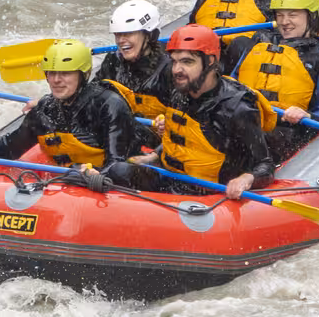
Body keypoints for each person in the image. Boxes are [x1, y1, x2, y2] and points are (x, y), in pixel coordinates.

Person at [0, 40, 140, 189]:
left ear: (83, 74)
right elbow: (9, 147)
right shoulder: (45, 109)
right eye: (51, 73)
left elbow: (117, 164)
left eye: (65, 73)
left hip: (118, 182)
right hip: (73, 180)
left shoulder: (109, 104)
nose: (56, 80)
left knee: (119, 170)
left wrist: (91, 177)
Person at [108, 25, 275, 200]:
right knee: (117, 170)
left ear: (210, 61)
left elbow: (265, 164)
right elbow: (181, 138)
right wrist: (156, 154)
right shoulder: (179, 92)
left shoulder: (237, 108)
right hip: (170, 178)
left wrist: (247, 179)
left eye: (187, 62)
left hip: (207, 194)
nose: (176, 70)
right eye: (174, 61)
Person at [226, 0, 319, 160]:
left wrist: (305, 115)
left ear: (312, 16)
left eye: (293, 15)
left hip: (284, 131)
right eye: (280, 15)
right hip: (244, 121)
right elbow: (230, 85)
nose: (284, 22)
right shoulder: (258, 41)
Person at [95, 0, 171, 124]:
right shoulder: (113, 61)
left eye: (128, 33)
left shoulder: (170, 68)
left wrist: (168, 121)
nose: (120, 40)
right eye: (117, 34)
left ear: (149, 35)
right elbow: (93, 95)